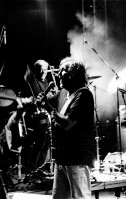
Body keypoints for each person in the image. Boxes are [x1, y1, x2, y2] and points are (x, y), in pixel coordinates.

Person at [36, 57, 96, 199]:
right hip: (62, 159)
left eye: (63, 70)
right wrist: (39, 99)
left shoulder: (83, 95)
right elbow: (41, 101)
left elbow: (68, 123)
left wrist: (48, 107)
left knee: (80, 197)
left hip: (77, 159)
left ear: (73, 75)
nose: (58, 74)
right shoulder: (63, 94)